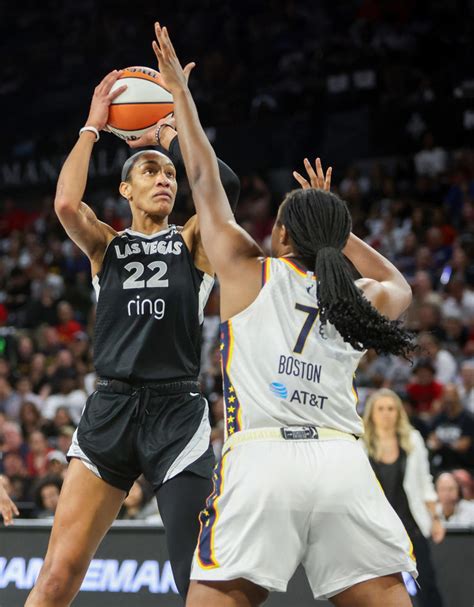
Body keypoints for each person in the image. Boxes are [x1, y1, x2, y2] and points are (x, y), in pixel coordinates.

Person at [152, 22, 416, 607]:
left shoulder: (250, 271)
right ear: (335, 241)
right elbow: (401, 285)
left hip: (263, 461)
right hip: (341, 463)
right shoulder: (359, 297)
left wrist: (181, 96)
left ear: (279, 235)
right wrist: (337, 228)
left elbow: (204, 178)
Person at [25, 64, 240, 606]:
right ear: (125, 189)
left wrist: (171, 130)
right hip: (111, 410)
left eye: (170, 173)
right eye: (150, 170)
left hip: (176, 413)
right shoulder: (107, 245)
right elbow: (65, 204)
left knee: (195, 579)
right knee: (56, 578)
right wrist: (93, 126)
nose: (165, 178)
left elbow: (226, 187)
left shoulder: (193, 242)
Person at [362, 388, 445, 607]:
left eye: (391, 408)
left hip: (410, 525)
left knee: (426, 584)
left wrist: (435, 518)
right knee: (377, 588)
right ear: (371, 413)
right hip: (375, 529)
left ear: (399, 412)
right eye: (380, 409)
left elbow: (424, 482)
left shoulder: (413, 439)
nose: (386, 414)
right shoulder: (360, 444)